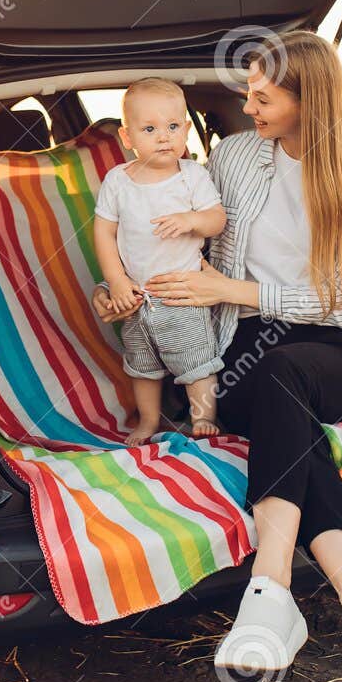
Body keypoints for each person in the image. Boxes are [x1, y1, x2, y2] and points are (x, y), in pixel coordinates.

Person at [89, 31, 342, 681]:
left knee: (289, 378)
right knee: (282, 393)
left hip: (338, 344)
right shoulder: (233, 156)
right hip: (243, 345)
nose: (248, 106)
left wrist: (231, 288)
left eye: (263, 96)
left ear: (308, 100)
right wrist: (126, 290)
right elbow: (173, 237)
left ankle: (270, 589)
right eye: (248, 94)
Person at [93, 77, 227, 444]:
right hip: (136, 296)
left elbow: (217, 219)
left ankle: (203, 418)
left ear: (186, 130)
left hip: (181, 294)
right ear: (127, 138)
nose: (164, 137)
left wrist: (191, 220)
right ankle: (148, 421)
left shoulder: (192, 176)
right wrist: (116, 280)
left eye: (172, 127)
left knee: (198, 362)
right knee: (142, 366)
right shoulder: (118, 181)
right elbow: (104, 233)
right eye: (150, 129)